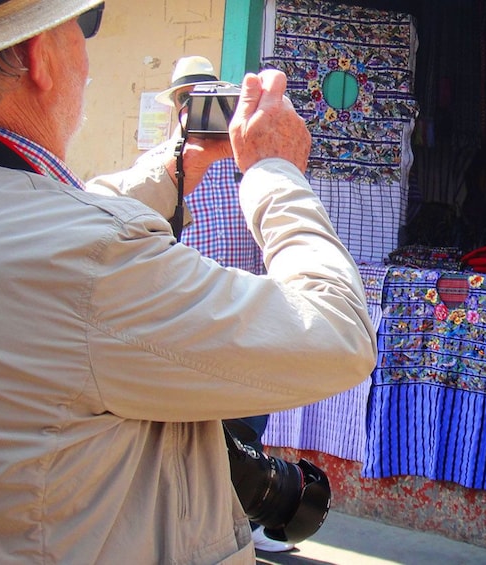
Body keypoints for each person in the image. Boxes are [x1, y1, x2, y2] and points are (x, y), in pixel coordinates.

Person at [0, 2, 377, 563]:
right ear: (39, 56)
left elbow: (55, 226)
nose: (88, 62)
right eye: (81, 31)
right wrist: (275, 173)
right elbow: (336, 334)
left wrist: (178, 162)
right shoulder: (90, 253)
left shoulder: (23, 220)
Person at [155, 55, 294, 553]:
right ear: (175, 105)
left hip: (242, 309)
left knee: (246, 424)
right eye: (184, 98)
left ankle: (247, 521)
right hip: (186, 315)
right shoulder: (161, 166)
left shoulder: (240, 162)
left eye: (203, 96)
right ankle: (194, 530)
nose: (193, 107)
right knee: (190, 434)